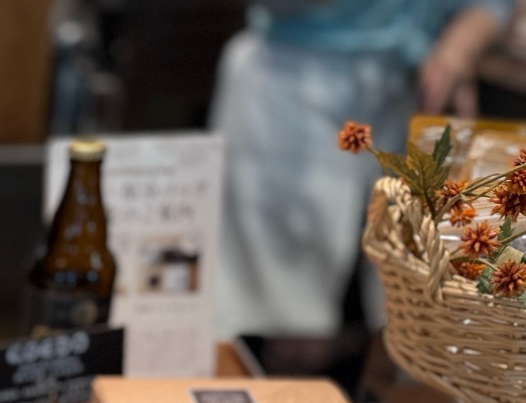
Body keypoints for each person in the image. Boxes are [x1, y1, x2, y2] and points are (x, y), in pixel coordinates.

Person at [212, 1, 513, 346]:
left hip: (412, 89)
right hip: (292, 82)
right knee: (280, 319)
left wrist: (457, 50)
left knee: (420, 307)